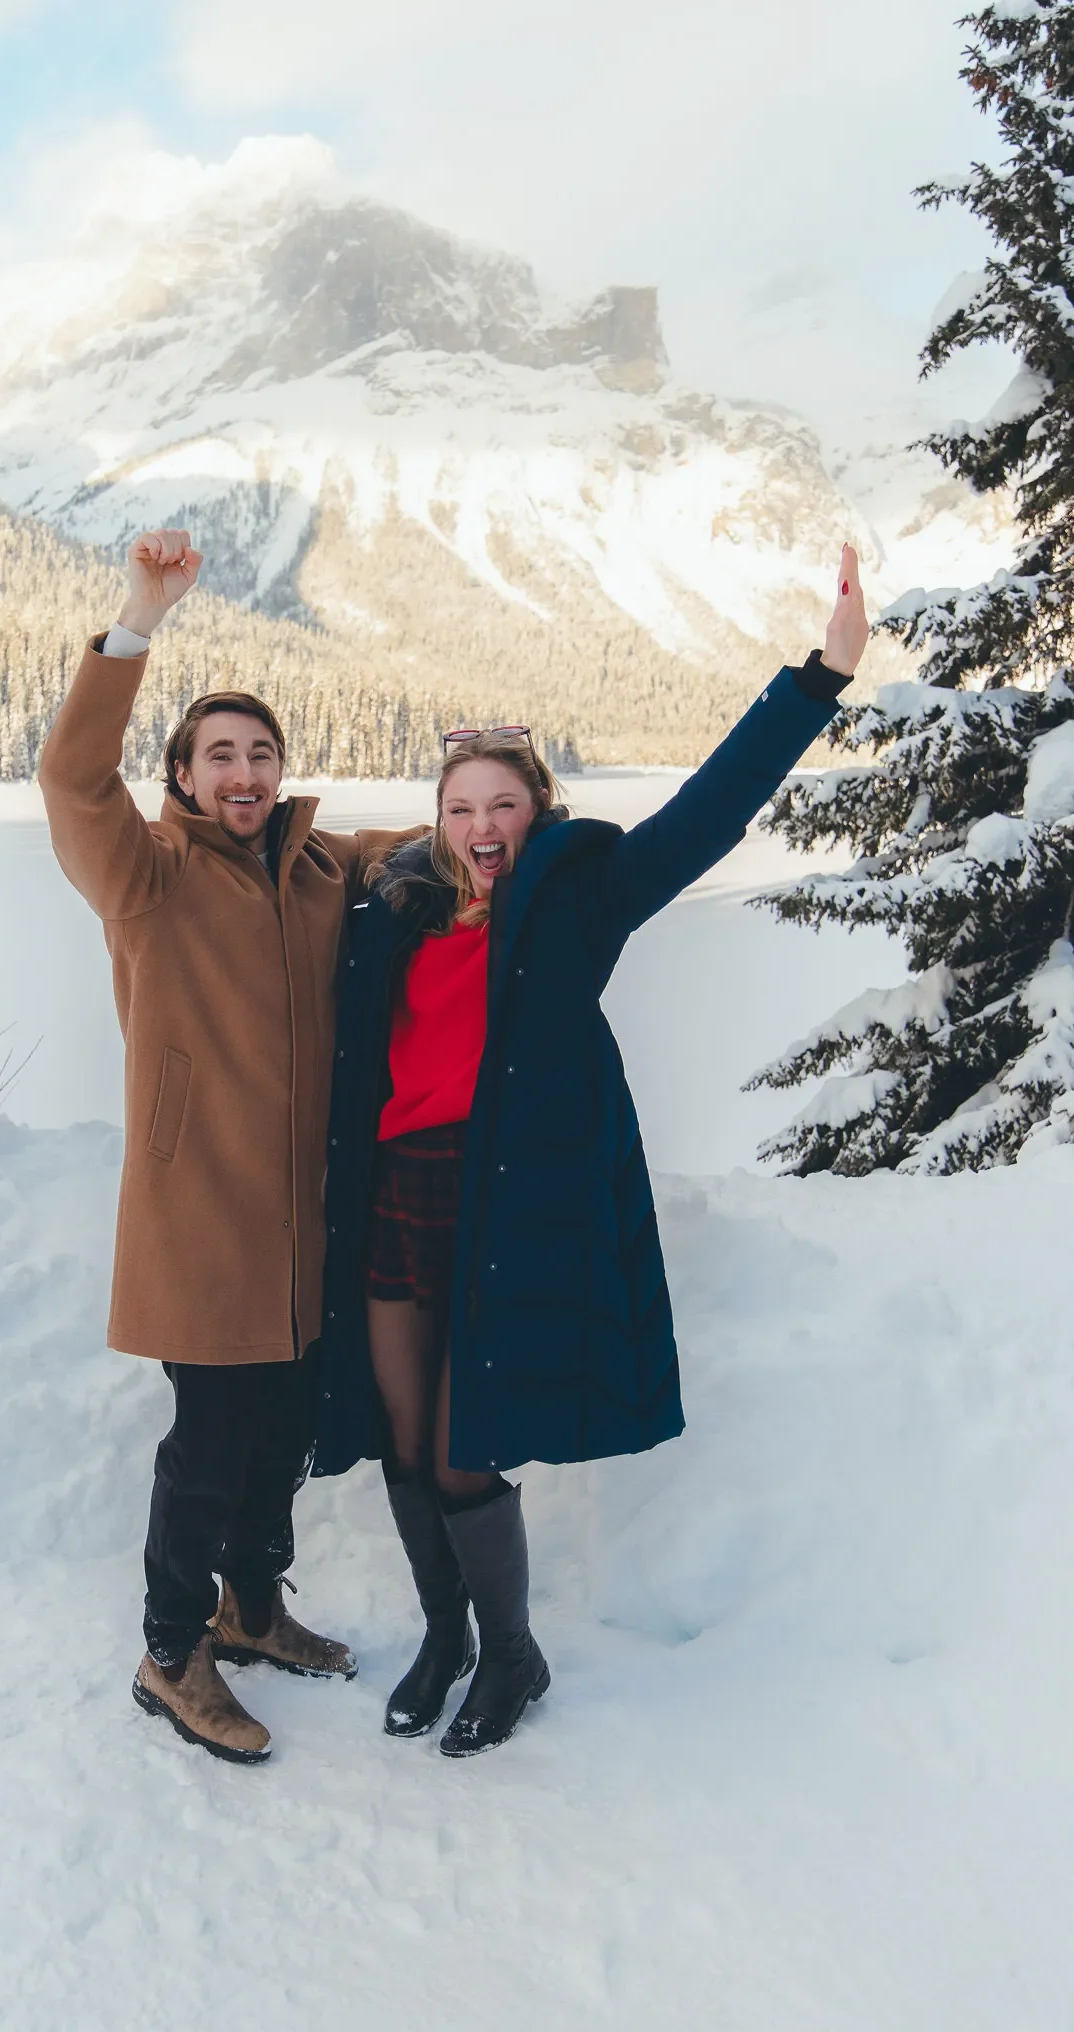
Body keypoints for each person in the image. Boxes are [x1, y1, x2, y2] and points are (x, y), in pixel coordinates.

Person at [313, 545, 871, 1757]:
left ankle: (511, 1655)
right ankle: (444, 1635)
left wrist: (817, 679)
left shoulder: (580, 896)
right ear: (439, 819)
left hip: (502, 1203)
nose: (479, 826)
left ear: (537, 808)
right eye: (459, 807)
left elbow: (710, 810)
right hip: (396, 1195)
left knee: (464, 1451)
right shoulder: (395, 908)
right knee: (405, 1441)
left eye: (501, 803)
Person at [38, 527, 420, 1766]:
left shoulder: (318, 870)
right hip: (199, 1217)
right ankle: (169, 1648)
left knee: (283, 1429)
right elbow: (70, 778)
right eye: (221, 755)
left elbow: (431, 853)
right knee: (208, 1441)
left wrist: (502, 809)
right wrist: (136, 624)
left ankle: (251, 1607)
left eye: (261, 752)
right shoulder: (142, 872)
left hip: (302, 1222)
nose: (245, 771)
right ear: (186, 776)